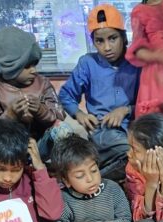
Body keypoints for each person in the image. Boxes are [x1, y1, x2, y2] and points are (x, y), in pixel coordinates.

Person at [59, 4, 140, 182]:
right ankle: (96, 182)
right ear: (93, 42)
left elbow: (149, 102)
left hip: (137, 128)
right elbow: (65, 95)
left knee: (152, 151)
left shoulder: (137, 63)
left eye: (113, 38)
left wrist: (125, 110)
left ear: (124, 38)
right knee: (133, 152)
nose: (107, 47)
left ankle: (98, 178)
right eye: (99, 41)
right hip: (104, 130)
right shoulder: (88, 63)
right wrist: (78, 113)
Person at [0, 26, 71, 162]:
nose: (34, 71)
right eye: (27, 66)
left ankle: (62, 169)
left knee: (62, 129)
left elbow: (59, 114)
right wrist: (9, 116)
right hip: (10, 148)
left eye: (35, 64)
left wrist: (41, 111)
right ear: (12, 66)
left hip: (41, 144)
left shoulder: (42, 83)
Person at [126, 0, 163, 130]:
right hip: (155, 76)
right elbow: (137, 49)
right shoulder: (139, 11)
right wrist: (160, 56)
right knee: (157, 126)